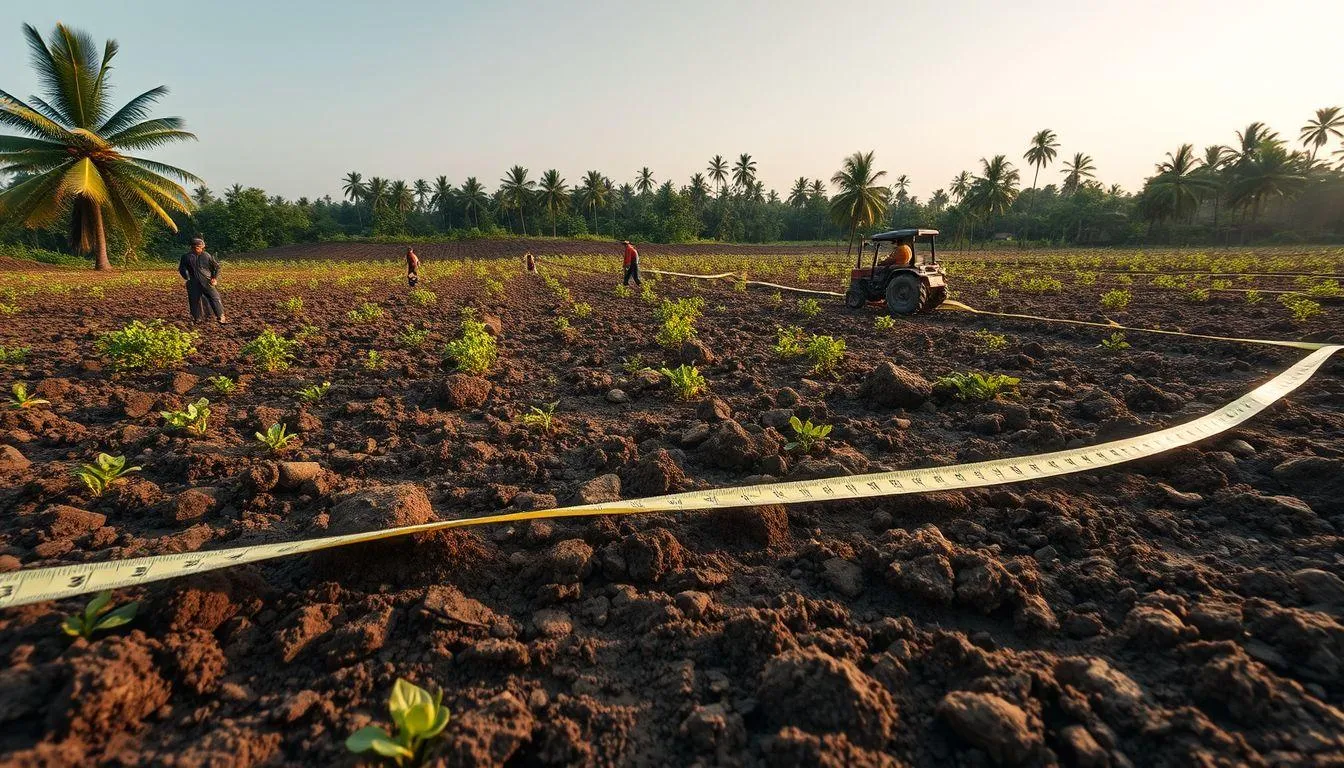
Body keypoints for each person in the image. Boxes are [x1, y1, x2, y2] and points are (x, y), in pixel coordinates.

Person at [178, 237, 226, 324]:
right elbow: (182, 269)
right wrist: (186, 277)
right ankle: (197, 319)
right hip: (193, 282)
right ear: (192, 247)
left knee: (215, 298)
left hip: (207, 281)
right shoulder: (186, 257)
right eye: (196, 247)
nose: (199, 248)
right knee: (194, 301)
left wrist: (214, 278)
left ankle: (220, 316)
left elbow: (216, 267)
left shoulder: (206, 255)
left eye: (200, 247)